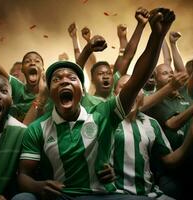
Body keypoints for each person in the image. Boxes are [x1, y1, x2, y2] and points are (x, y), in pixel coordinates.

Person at [13, 8, 175, 200]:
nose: (64, 80)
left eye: (72, 78)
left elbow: (137, 80)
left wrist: (157, 36)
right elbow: (23, 175)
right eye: (57, 79)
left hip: (101, 196)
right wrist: (37, 186)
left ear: (82, 90)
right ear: (51, 93)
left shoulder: (103, 114)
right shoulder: (37, 129)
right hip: (61, 197)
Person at [112, 75, 193, 200]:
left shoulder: (151, 124)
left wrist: (192, 135)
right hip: (117, 193)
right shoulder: (106, 120)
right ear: (114, 94)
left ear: (143, 94)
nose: (131, 91)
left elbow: (169, 160)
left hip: (150, 193)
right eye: (124, 87)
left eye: (136, 88)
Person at [0, 9, 49, 124]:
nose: (32, 63)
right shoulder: (16, 87)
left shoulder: (50, 90)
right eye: (27, 61)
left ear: (43, 69)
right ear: (23, 70)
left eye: (37, 61)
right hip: (17, 139)